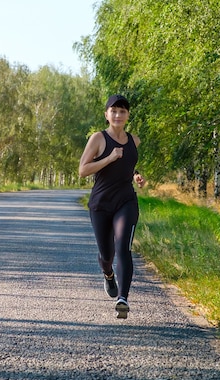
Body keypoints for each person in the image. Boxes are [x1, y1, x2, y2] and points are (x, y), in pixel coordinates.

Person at [79, 94, 145, 319]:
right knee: (107, 254)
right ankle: (108, 274)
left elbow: (129, 165)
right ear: (106, 114)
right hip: (100, 204)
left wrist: (136, 175)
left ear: (128, 115)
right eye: (114, 111)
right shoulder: (98, 139)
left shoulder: (134, 140)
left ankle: (123, 299)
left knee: (123, 247)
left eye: (123, 111)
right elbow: (83, 170)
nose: (118, 115)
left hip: (126, 201)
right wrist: (109, 159)